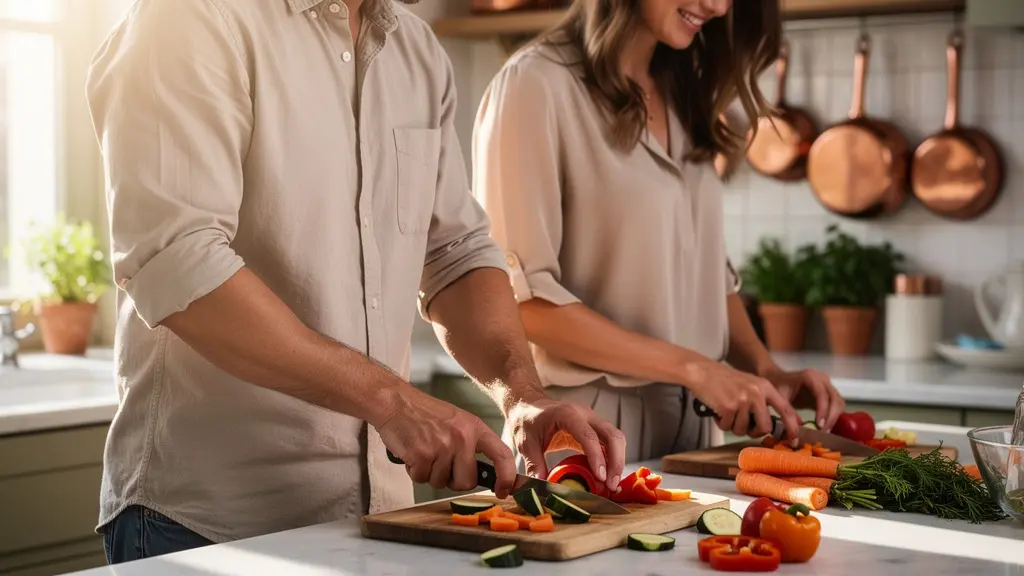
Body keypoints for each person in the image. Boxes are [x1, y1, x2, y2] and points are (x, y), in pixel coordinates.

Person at [85, 0, 625, 564]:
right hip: (211, 524)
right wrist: (392, 401)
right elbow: (181, 264)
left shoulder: (415, 50)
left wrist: (523, 396)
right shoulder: (190, 19)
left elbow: (455, 254)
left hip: (382, 522)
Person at [472, 0, 846, 469]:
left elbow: (706, 269)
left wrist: (764, 369)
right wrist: (696, 368)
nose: (717, 6)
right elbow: (522, 305)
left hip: (694, 430)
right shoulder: (535, 85)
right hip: (584, 433)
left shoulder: (682, 89)